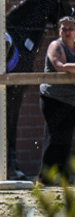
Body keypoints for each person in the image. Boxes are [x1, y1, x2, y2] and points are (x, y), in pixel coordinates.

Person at [38, 16, 75, 183]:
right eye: (63, 29)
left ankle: (63, 177)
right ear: (59, 31)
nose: (66, 32)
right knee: (53, 137)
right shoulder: (56, 46)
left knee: (66, 138)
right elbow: (60, 66)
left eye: (70, 29)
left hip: (70, 99)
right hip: (52, 98)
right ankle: (44, 178)